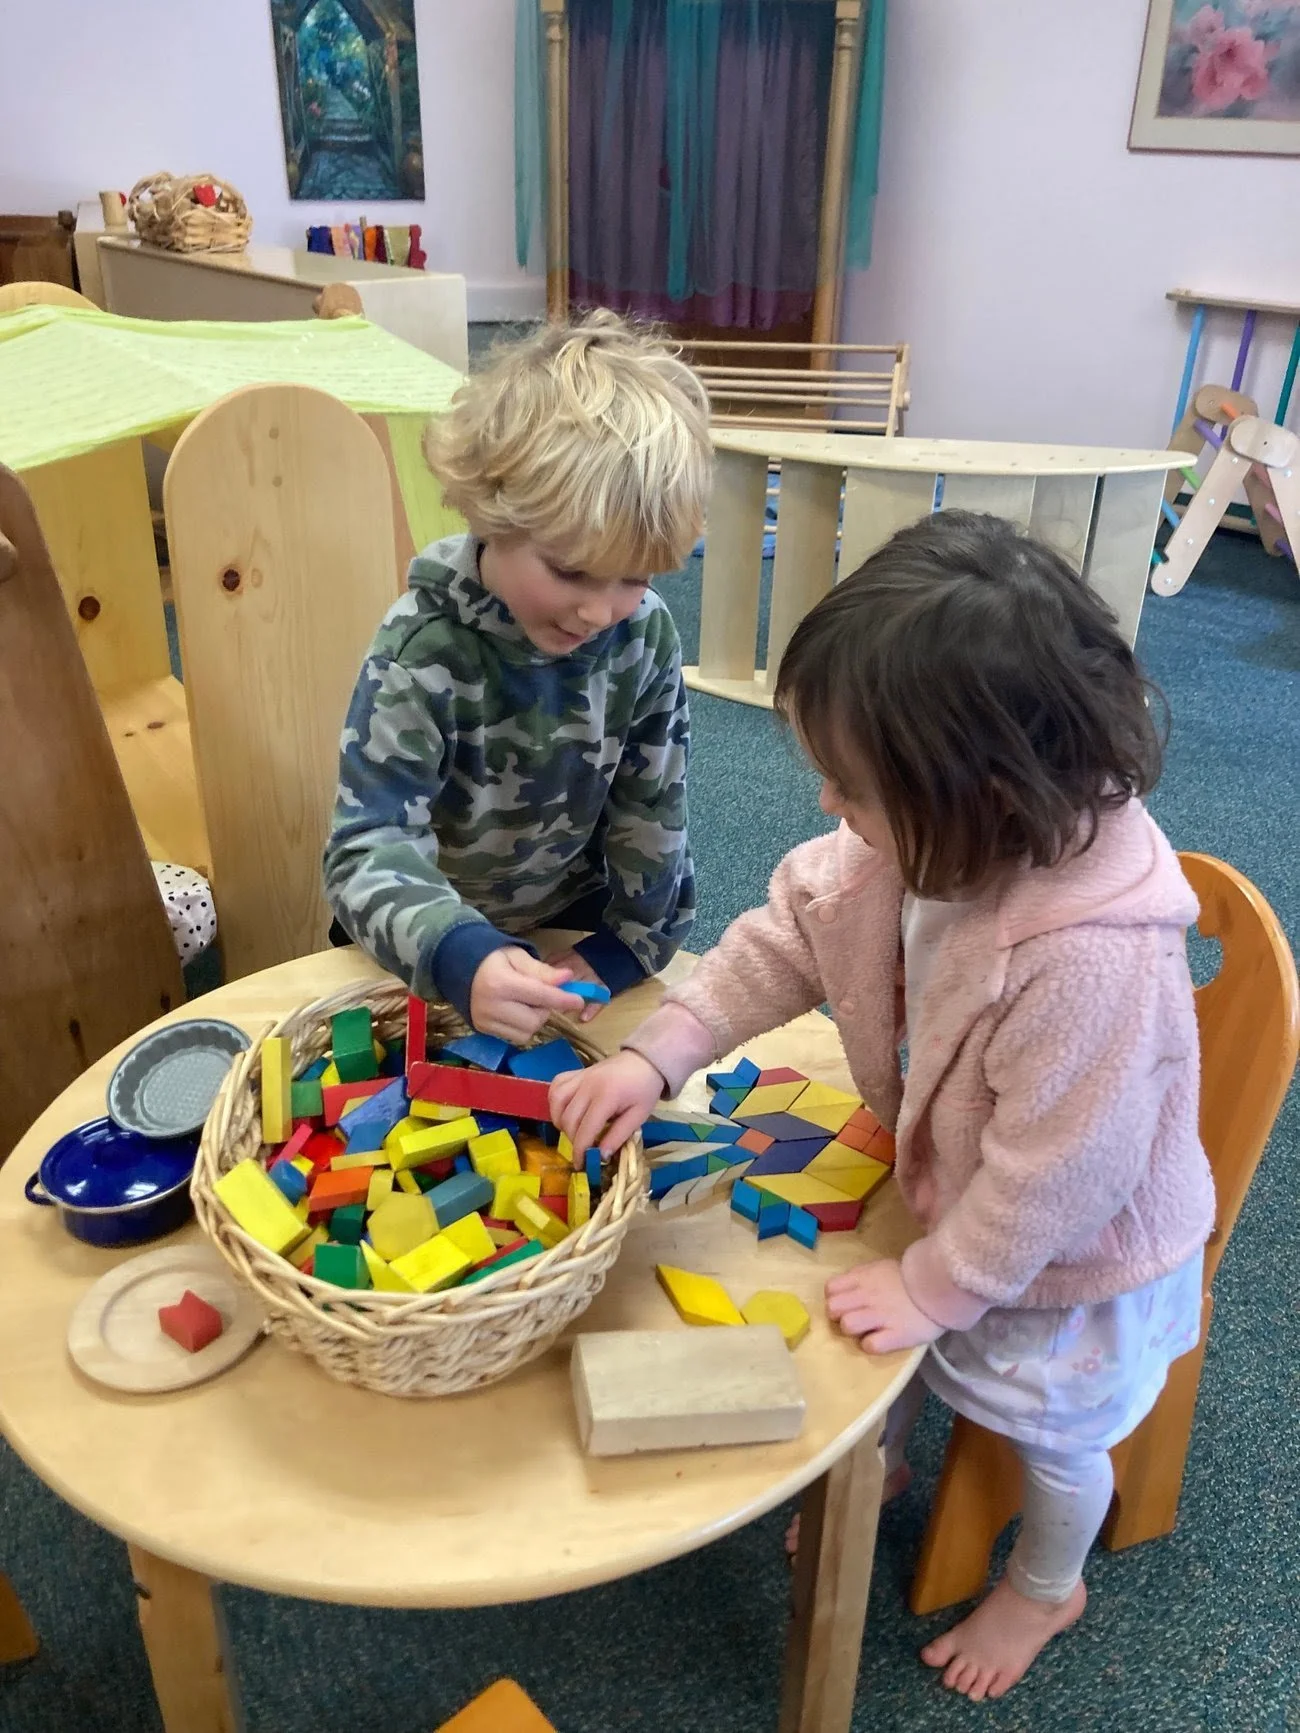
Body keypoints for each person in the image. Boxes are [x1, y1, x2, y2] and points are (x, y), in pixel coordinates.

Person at [550, 511, 1214, 1700]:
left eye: (850, 786)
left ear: (981, 791)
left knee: (1053, 1432)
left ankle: (1048, 1585)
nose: (820, 800)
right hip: (954, 1186)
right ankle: (887, 1460)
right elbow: (777, 946)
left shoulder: (1085, 963)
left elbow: (1057, 1181)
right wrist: (655, 1058)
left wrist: (934, 1284)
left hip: (1076, 1256)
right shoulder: (921, 838)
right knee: (889, 1331)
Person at [323, 311, 712, 1045]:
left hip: (568, 932)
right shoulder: (422, 648)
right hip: (424, 944)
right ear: (489, 513)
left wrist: (623, 946)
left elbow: (653, 818)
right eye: (569, 570)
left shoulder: (644, 632)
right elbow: (367, 846)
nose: (600, 610)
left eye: (633, 575)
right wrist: (460, 954)